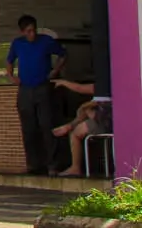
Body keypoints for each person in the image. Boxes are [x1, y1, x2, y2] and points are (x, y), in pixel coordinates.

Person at [7, 14, 67, 174]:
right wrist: (12, 76)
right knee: (28, 127)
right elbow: (9, 60)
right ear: (22, 32)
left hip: (43, 86)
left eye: (33, 30)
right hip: (25, 88)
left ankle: (52, 163)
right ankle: (33, 163)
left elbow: (63, 54)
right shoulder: (18, 44)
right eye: (28, 31)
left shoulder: (46, 41)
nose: (31, 34)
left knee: (47, 124)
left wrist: (55, 71)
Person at [52, 79, 111, 177]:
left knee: (75, 133)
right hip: (108, 121)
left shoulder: (102, 88)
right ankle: (70, 126)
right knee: (86, 110)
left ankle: (75, 167)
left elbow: (80, 88)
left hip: (106, 123)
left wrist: (63, 82)